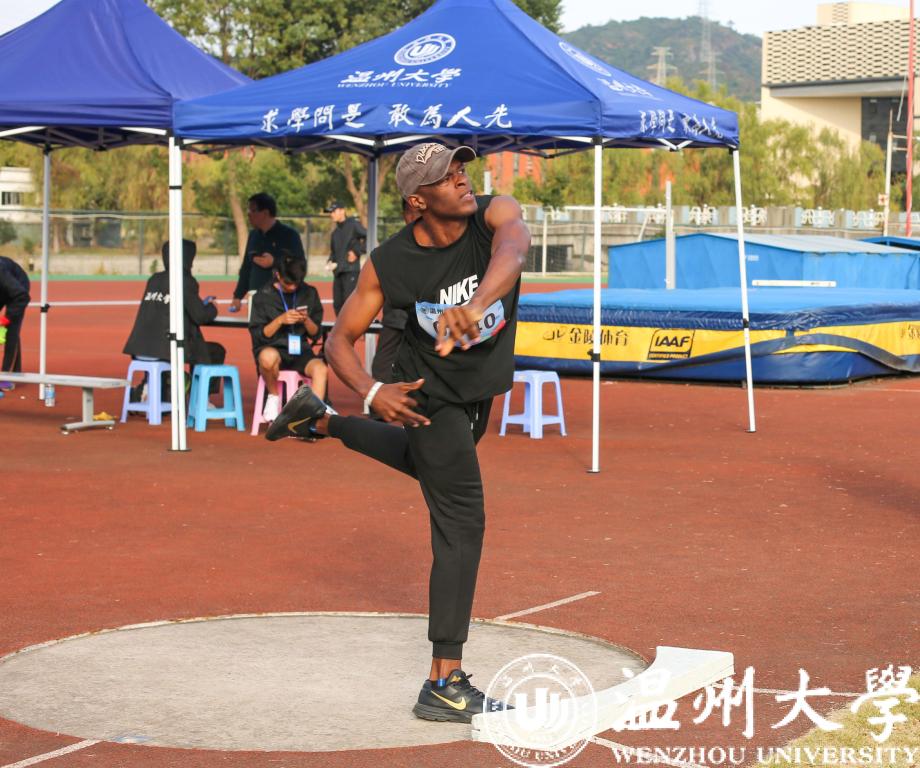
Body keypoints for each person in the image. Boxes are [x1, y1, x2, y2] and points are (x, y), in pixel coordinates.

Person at [266, 142, 529, 723]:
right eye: (446, 177)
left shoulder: (494, 213)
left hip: (473, 392)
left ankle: (318, 419)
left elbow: (515, 248)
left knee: (424, 462)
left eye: (461, 170)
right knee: (461, 518)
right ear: (417, 200)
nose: (462, 180)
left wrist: (477, 303)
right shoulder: (389, 262)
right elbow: (339, 340)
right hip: (425, 391)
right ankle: (444, 681)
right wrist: (370, 392)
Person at [123, 240, 225, 397]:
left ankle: (150, 385)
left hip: (140, 349)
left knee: (188, 347)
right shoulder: (184, 280)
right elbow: (200, 316)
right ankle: (201, 398)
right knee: (214, 351)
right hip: (167, 348)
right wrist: (212, 308)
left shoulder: (154, 280)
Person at [248, 251, 327, 423]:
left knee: (321, 369)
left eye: (296, 283)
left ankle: (311, 418)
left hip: (300, 350)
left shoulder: (309, 293)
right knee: (267, 357)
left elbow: (316, 333)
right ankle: (273, 396)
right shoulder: (262, 296)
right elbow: (259, 335)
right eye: (288, 283)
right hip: (273, 347)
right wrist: (280, 320)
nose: (292, 287)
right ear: (278, 275)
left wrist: (306, 320)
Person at [369, 198, 418, 386]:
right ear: (406, 214)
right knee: (381, 369)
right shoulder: (393, 246)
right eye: (412, 212)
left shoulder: (441, 246)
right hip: (396, 319)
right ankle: (382, 403)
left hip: (425, 321)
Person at [230, 192, 305, 313]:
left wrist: (275, 262)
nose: (248, 214)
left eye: (253, 210)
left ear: (265, 213)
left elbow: (300, 266)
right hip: (256, 301)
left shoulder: (289, 235)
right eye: (248, 210)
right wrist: (237, 296)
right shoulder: (253, 236)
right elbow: (246, 269)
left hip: (281, 302)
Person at [325, 200, 366, 316]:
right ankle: (341, 327)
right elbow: (333, 253)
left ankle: (353, 327)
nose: (331, 214)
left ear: (342, 211)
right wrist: (329, 261)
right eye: (330, 212)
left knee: (349, 305)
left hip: (351, 271)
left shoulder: (353, 224)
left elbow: (368, 236)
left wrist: (356, 252)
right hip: (338, 273)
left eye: (334, 211)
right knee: (338, 305)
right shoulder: (335, 233)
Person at [0, 255, 30, 385]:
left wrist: (6, 319)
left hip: (18, 291)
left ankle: (8, 376)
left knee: (11, 331)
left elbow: (22, 297)